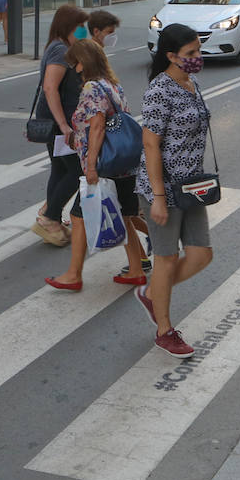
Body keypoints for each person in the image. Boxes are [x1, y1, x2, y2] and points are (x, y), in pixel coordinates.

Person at [134, 24, 215, 360]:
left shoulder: (191, 83)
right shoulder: (159, 91)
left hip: (192, 186)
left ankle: (152, 292)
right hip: (164, 188)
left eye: (198, 51)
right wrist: (159, 197)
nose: (198, 58)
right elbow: (150, 144)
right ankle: (164, 330)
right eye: (191, 54)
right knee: (165, 260)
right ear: (171, 56)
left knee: (201, 255)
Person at [44, 39, 150, 292]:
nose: (75, 69)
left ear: (85, 62)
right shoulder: (112, 84)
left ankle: (73, 275)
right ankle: (136, 270)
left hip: (105, 164)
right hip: (124, 163)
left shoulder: (92, 87)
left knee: (76, 216)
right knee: (124, 216)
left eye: (76, 63)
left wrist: (91, 166)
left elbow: (98, 127)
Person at [33, 5, 89, 247]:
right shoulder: (60, 51)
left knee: (59, 169)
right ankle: (49, 217)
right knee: (77, 171)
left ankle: (53, 219)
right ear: (68, 26)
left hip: (55, 121)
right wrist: (64, 125)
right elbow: (49, 88)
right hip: (59, 123)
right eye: (80, 26)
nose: (83, 31)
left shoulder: (58, 46)